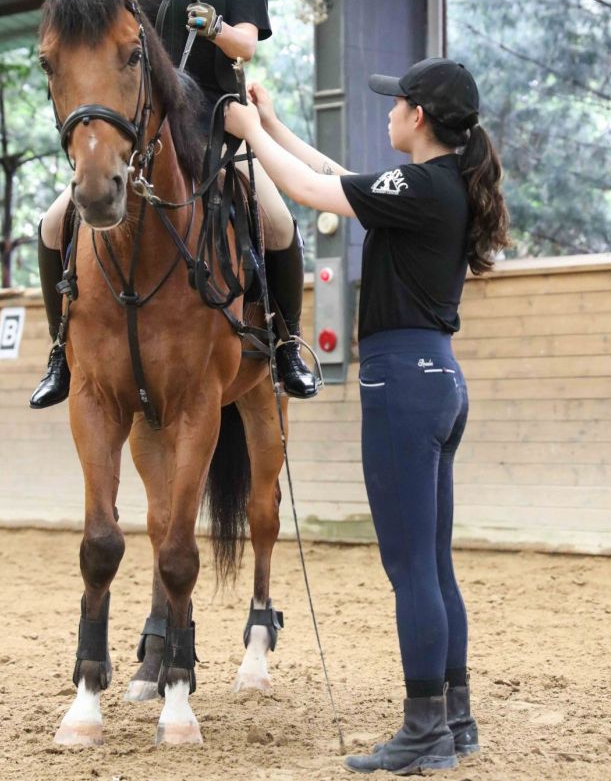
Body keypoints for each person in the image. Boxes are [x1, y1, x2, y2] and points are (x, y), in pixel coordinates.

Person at [224, 58, 510, 774]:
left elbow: (306, 190)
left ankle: (424, 730)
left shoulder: (421, 186)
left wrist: (248, 132)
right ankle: (455, 718)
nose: (387, 112)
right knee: (432, 564)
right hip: (436, 377)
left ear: (419, 117)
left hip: (401, 382)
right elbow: (334, 174)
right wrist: (273, 122)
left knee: (409, 568)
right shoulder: (436, 185)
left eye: (395, 103)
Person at [30, 0, 317, 409]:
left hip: (216, 122)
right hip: (141, 129)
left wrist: (214, 26)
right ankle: (61, 349)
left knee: (279, 223)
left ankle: (285, 343)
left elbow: (246, 45)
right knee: (53, 224)